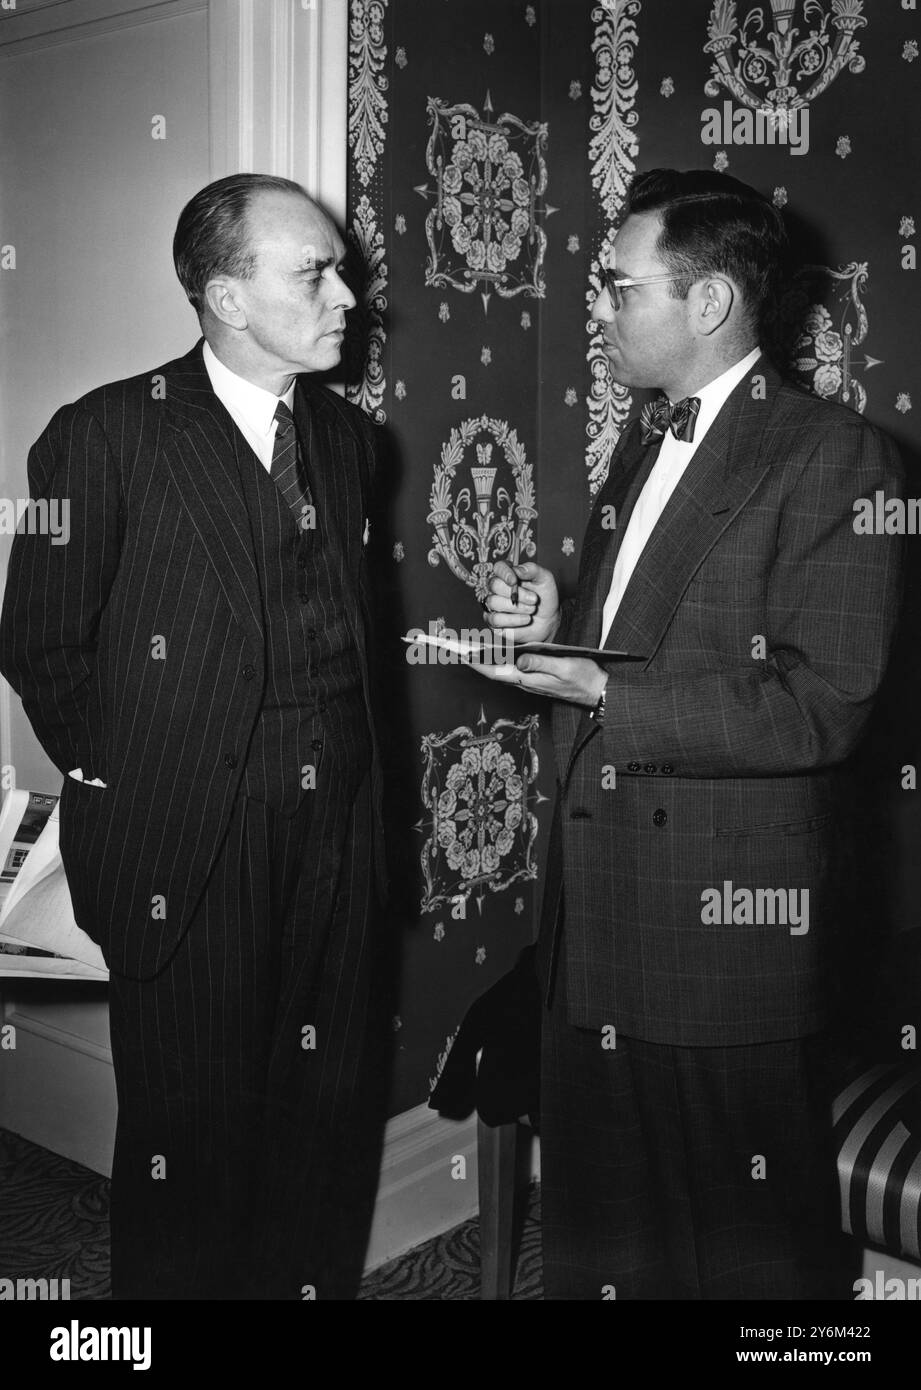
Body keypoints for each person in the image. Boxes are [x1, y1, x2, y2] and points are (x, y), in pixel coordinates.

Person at [478, 168, 904, 1299]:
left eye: (620, 288)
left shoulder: (837, 458)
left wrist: (604, 695)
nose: (602, 310)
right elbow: (634, 635)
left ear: (708, 302)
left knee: (749, 1253)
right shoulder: (641, 440)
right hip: (595, 914)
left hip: (727, 939)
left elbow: (828, 702)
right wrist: (552, 619)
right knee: (608, 1234)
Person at [0, 173, 388, 1300]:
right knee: (192, 1146)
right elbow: (43, 643)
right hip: (189, 844)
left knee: (321, 1122)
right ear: (226, 295)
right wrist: (139, 774)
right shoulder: (107, 434)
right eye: (314, 272)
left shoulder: (351, 439)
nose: (348, 295)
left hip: (339, 836)